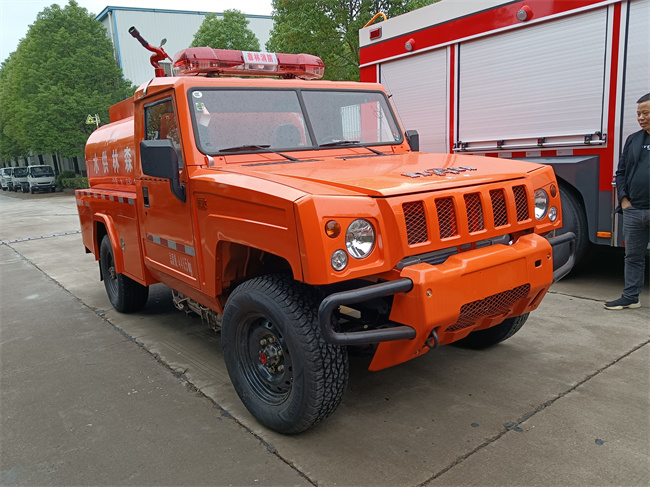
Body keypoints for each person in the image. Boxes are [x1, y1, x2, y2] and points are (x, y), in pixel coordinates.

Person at [605, 93, 650, 310]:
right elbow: (621, 172)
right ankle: (631, 296)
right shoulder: (633, 139)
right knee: (633, 256)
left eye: (646, 113)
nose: (641, 118)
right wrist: (623, 200)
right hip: (634, 210)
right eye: (639, 113)